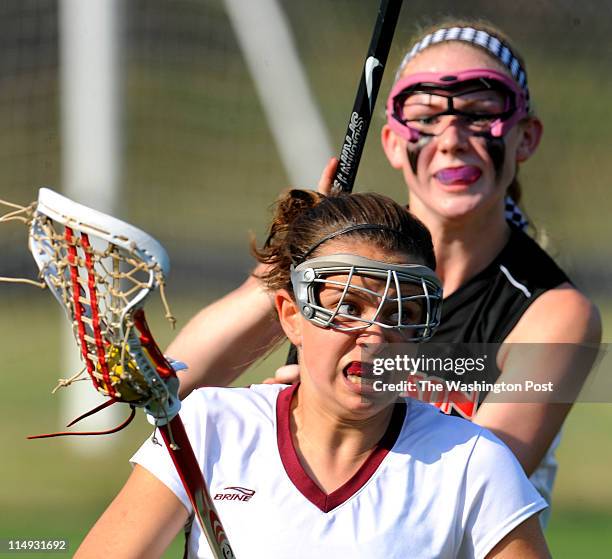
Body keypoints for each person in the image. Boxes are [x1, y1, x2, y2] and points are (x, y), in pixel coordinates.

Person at [166, 20, 601, 525]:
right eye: (427, 117)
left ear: (525, 138)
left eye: (482, 114)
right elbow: (176, 383)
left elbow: (472, 491)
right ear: (393, 143)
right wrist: (296, 258)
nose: (453, 139)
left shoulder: (553, 314)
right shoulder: (346, 256)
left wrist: (334, 400)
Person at [75, 191, 551, 558]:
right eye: (347, 306)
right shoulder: (209, 427)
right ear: (290, 316)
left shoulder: (471, 462)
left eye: (401, 311)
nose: (375, 334)